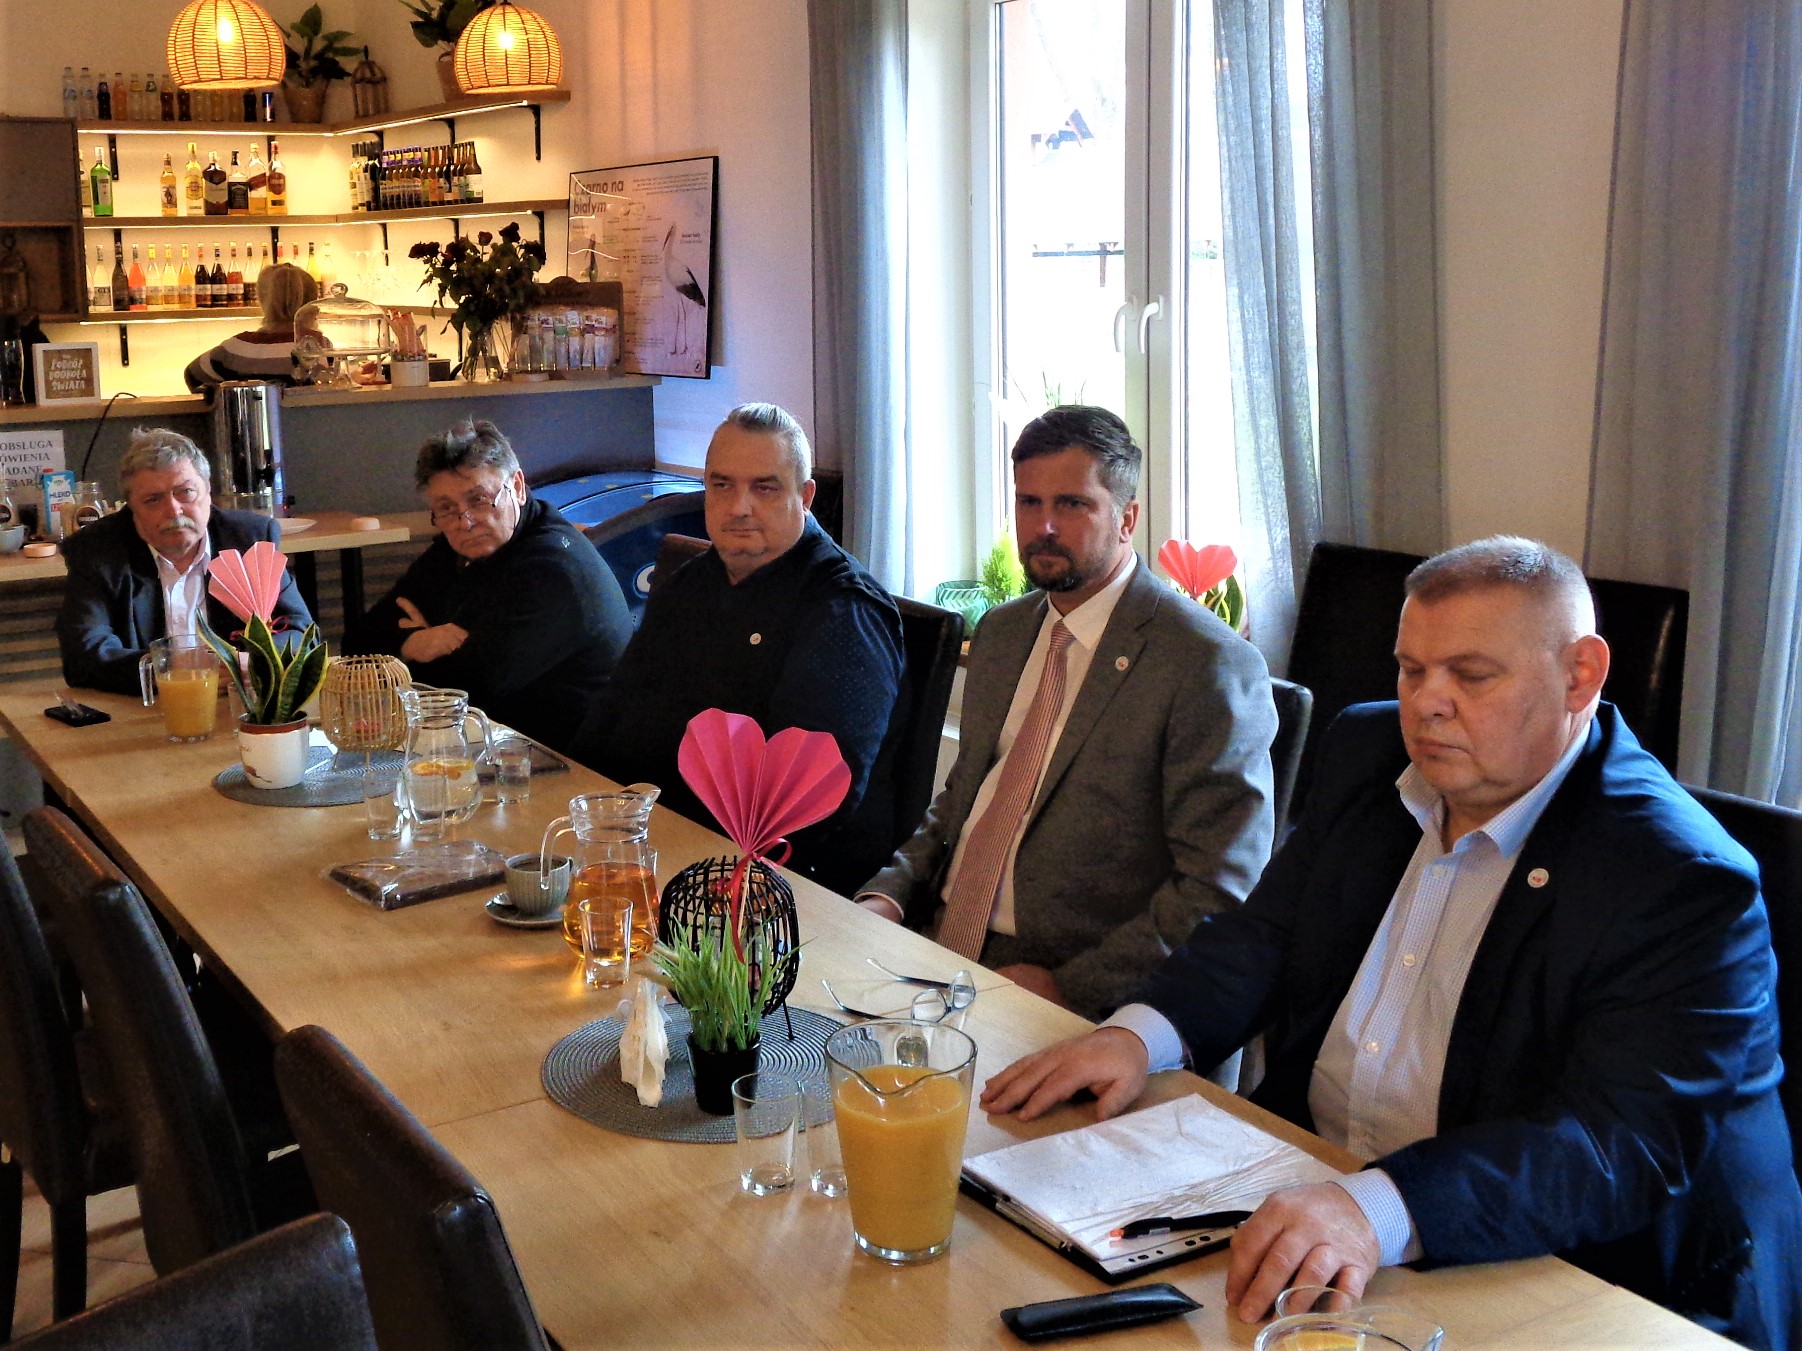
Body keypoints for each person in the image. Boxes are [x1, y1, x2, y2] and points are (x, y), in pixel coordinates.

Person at [983, 536, 1802, 1350]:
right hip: (1317, 1206)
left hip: (1574, 1278)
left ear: (1580, 675)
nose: (1427, 703)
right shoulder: (1368, 752)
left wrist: (1376, 1204)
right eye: (1411, 669)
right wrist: (1138, 1034)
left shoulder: (1679, 878)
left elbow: (1611, 1146)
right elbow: (1265, 933)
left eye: (1471, 675)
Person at [855, 405, 1277, 1023]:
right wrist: (888, 896)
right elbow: (962, 800)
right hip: (933, 941)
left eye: (1072, 504)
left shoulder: (1204, 663)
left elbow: (1217, 887)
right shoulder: (1002, 633)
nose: (1044, 525)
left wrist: (1074, 987)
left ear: (1127, 519)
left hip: (1065, 979)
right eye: (1029, 502)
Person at [574, 403, 904, 894]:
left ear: (805, 497)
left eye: (764, 488)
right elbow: (613, 712)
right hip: (646, 843)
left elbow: (808, 808)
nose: (738, 507)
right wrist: (587, 812)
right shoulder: (692, 582)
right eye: (722, 485)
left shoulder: (843, 611)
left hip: (771, 886)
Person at [345, 420, 630, 757]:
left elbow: (469, 690)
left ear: (518, 487)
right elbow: (357, 646)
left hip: (564, 763)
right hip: (487, 744)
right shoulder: (457, 550)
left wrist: (406, 662)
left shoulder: (553, 569)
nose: (464, 522)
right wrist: (413, 643)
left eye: (479, 500)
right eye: (446, 508)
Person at [57, 427, 313, 696]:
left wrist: (251, 663)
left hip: (238, 704)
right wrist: (171, 667)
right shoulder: (97, 551)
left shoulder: (248, 540)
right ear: (131, 507)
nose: (173, 510)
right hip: (146, 709)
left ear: (208, 490)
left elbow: (302, 631)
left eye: (186, 492)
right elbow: (82, 656)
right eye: (153, 499)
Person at [183, 263, 318, 391]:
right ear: (314, 306)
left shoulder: (235, 348)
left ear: (262, 300)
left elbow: (193, 376)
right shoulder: (320, 348)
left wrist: (219, 397)